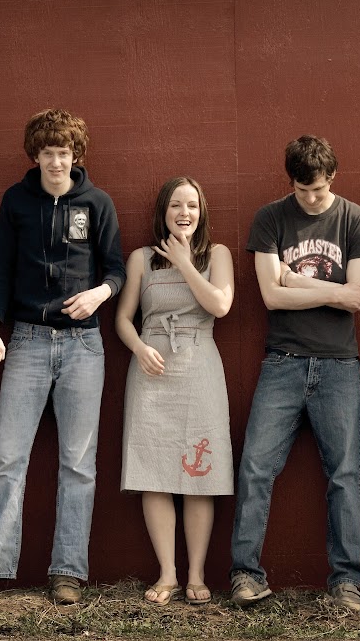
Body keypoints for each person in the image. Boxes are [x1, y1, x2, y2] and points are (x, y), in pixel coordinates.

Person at [0, 109, 126, 605]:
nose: (56, 162)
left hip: (83, 345)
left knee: (79, 463)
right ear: (36, 155)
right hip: (27, 341)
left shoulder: (97, 202)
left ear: (76, 155)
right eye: (48, 153)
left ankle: (68, 572)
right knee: (8, 457)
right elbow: (2, 272)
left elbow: (116, 269)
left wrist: (99, 294)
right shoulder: (16, 201)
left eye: (63, 153)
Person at [229, 135, 360, 612]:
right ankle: (245, 574)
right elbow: (271, 297)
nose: (311, 199)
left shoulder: (356, 220)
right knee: (255, 466)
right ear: (290, 181)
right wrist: (332, 291)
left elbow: (358, 297)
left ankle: (346, 582)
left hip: (339, 365)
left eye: (319, 189)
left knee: (344, 474)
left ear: (332, 177)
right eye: (302, 190)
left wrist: (296, 279)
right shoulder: (270, 218)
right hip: (283, 362)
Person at [115, 177, 235, 606]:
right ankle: (167, 572)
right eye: (176, 206)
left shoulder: (216, 254)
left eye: (192, 206)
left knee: (199, 478)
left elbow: (220, 305)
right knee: (154, 471)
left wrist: (184, 261)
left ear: (202, 212)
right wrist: (139, 347)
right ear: (163, 211)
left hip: (199, 368)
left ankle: (196, 574)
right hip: (151, 369)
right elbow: (123, 318)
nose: (185, 213)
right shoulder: (141, 259)